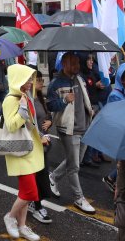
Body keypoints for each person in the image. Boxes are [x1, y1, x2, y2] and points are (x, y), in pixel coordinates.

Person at [46, 52, 96, 214]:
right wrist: (64, 100)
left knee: (74, 161)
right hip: (68, 129)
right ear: (64, 64)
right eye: (73, 63)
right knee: (74, 166)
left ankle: (53, 177)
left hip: (85, 126)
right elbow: (51, 106)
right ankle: (78, 197)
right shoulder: (55, 83)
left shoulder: (79, 78)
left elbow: (85, 99)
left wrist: (90, 110)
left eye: (77, 63)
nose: (77, 66)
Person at [1, 64, 46, 241]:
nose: (30, 82)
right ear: (18, 79)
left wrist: (40, 136)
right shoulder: (10, 100)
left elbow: (30, 124)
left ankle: (22, 226)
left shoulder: (25, 96)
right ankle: (10, 217)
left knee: (25, 193)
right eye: (27, 79)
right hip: (19, 149)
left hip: (30, 148)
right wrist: (22, 109)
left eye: (30, 79)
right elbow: (12, 125)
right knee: (30, 193)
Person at [101, 63, 125, 193]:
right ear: (122, 80)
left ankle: (112, 179)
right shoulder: (115, 95)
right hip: (120, 135)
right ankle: (115, 183)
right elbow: (116, 118)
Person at [27, 71, 53, 224]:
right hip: (33, 144)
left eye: (42, 80)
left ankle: (34, 203)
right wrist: (39, 137)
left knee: (42, 174)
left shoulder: (40, 98)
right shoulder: (25, 99)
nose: (42, 83)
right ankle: (36, 206)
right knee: (35, 176)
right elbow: (29, 124)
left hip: (44, 144)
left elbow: (46, 116)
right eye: (39, 80)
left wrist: (50, 122)